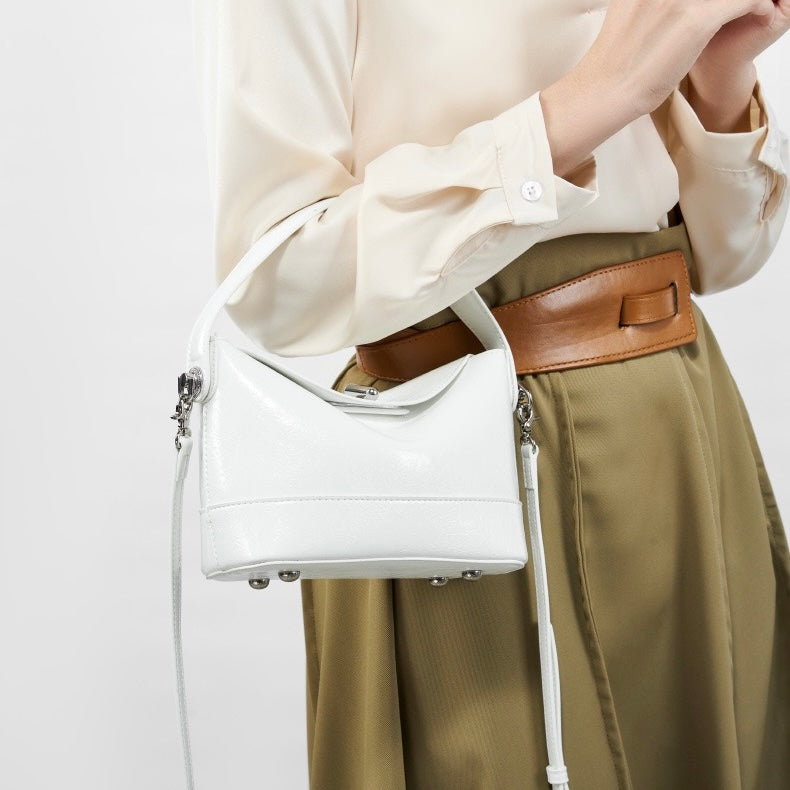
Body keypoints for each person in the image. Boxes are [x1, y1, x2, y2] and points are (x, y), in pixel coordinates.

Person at [191, 1, 790, 787]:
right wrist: (586, 104)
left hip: (681, 430)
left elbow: (718, 257)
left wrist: (719, 79)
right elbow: (275, 279)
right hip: (462, 474)